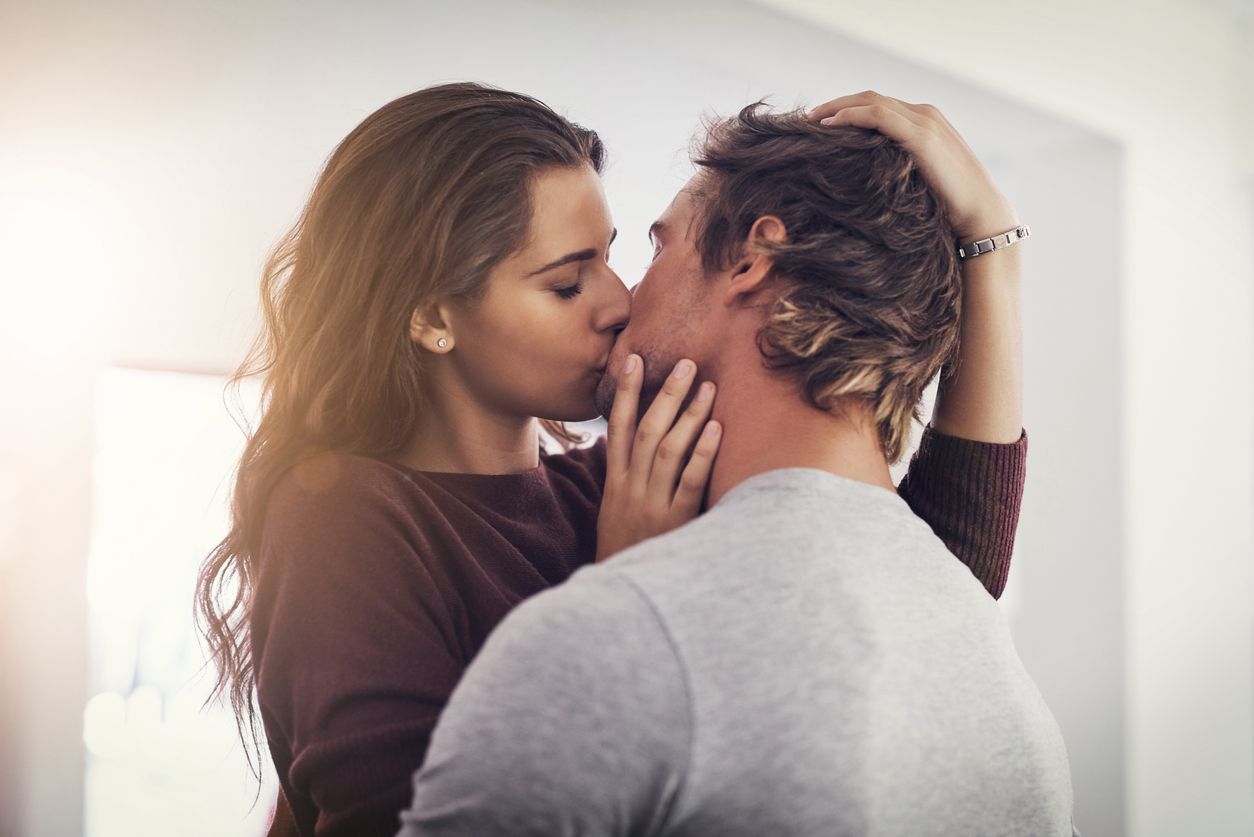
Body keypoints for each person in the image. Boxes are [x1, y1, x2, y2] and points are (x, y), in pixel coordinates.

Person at [195, 84, 1029, 837]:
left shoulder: (634, 467)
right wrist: (625, 576)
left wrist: (991, 249)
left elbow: (921, 581)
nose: (618, 300)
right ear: (430, 317)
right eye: (566, 282)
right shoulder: (346, 519)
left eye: (612, 253)